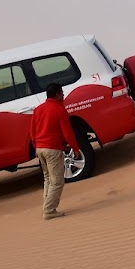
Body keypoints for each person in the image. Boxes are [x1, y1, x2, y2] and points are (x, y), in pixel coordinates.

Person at [29, 83, 79, 220]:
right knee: (57, 181)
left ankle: (47, 206)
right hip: (52, 149)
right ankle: (49, 210)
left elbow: (32, 131)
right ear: (57, 94)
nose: (63, 95)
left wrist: (36, 146)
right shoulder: (59, 109)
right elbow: (67, 132)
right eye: (61, 93)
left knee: (48, 179)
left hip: (40, 148)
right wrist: (75, 148)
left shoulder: (38, 109)